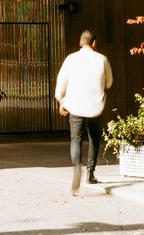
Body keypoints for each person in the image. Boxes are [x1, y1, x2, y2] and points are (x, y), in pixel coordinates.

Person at [55, 29, 113, 194]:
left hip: (74, 105)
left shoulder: (71, 59)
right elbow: (109, 83)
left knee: (76, 139)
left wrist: (62, 101)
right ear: (94, 43)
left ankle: (76, 169)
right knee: (94, 139)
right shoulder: (102, 60)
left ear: (81, 42)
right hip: (95, 106)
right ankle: (90, 173)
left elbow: (61, 82)